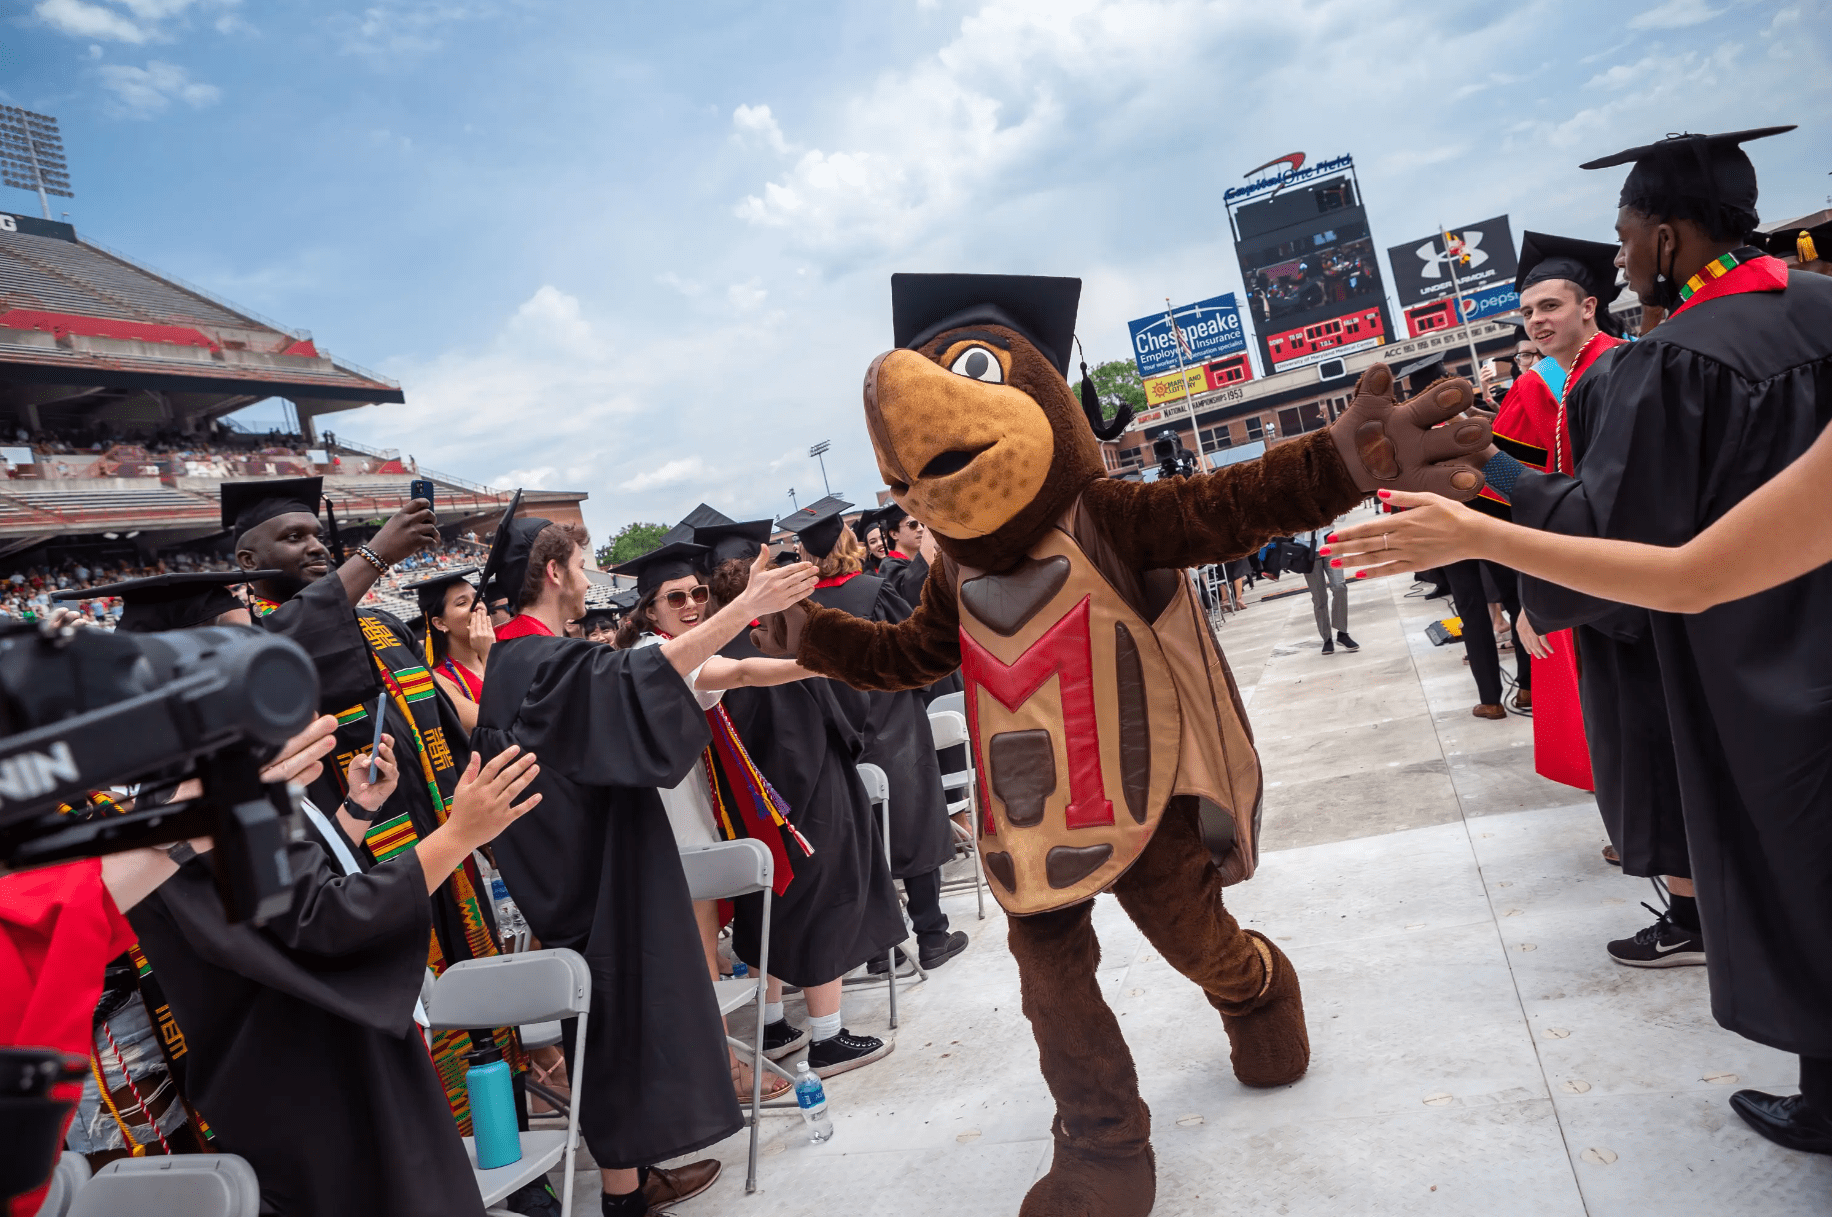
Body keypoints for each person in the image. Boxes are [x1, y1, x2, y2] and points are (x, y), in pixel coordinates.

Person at [1330, 125, 1831, 1156]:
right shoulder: (1822, 308)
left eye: (1625, 233)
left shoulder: (1676, 360)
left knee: (1790, 863)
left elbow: (1613, 538)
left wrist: (1485, 489)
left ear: (1667, 233)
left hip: (1749, 656)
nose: (1617, 254)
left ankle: (1826, 1091)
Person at [472, 517, 820, 1215]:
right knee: (624, 1032)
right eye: (583, 562)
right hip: (603, 880)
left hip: (573, 878)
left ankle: (631, 1185)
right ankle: (624, 1199)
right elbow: (639, 676)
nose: (590, 576)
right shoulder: (540, 660)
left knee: (610, 1032)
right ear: (553, 572)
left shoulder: (509, 665)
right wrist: (745, 610)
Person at [223, 479, 532, 1160]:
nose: (312, 545)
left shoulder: (383, 625)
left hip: (446, 854)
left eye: (315, 532)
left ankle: (513, 1161)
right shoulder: (255, 648)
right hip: (368, 875)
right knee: (423, 1021)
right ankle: (445, 1169)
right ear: (246, 560)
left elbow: (447, 733)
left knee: (481, 1007)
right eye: (291, 536)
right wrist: (378, 553)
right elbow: (298, 635)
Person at [130, 730, 544, 1216]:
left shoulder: (184, 790)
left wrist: (355, 812)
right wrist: (458, 836)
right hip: (318, 1074)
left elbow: (282, 897)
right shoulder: (195, 790)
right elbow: (324, 921)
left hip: (294, 1068)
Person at [608, 534, 829, 1100]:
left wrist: (815, 664)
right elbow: (744, 674)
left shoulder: (669, 657)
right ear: (649, 609)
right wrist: (817, 664)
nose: (690, 605)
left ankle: (714, 1071)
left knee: (700, 960)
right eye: (674, 597)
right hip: (669, 834)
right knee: (696, 964)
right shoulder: (646, 660)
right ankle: (723, 1074)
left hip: (689, 826)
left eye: (697, 593)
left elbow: (738, 668)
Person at [773, 498, 969, 975]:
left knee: (863, 837)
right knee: (915, 822)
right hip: (894, 721)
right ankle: (932, 936)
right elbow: (913, 651)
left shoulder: (802, 609)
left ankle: (880, 951)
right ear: (848, 540)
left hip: (839, 735)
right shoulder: (876, 592)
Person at [1397, 356, 1528, 718]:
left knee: (1472, 611)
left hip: (1449, 529)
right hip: (1492, 517)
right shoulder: (1471, 422)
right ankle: (1528, 688)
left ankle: (1490, 700)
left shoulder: (1413, 436)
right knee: (1515, 599)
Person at [406, 567, 492, 733]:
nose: (477, 606)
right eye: (462, 603)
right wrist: (488, 653)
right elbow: (495, 724)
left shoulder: (507, 651)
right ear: (440, 623)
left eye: (478, 598)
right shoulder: (440, 680)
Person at [1299, 524, 1356, 654]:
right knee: (1319, 597)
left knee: (1339, 587)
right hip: (1307, 548)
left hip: (1329, 540)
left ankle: (1342, 633)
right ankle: (1327, 639)